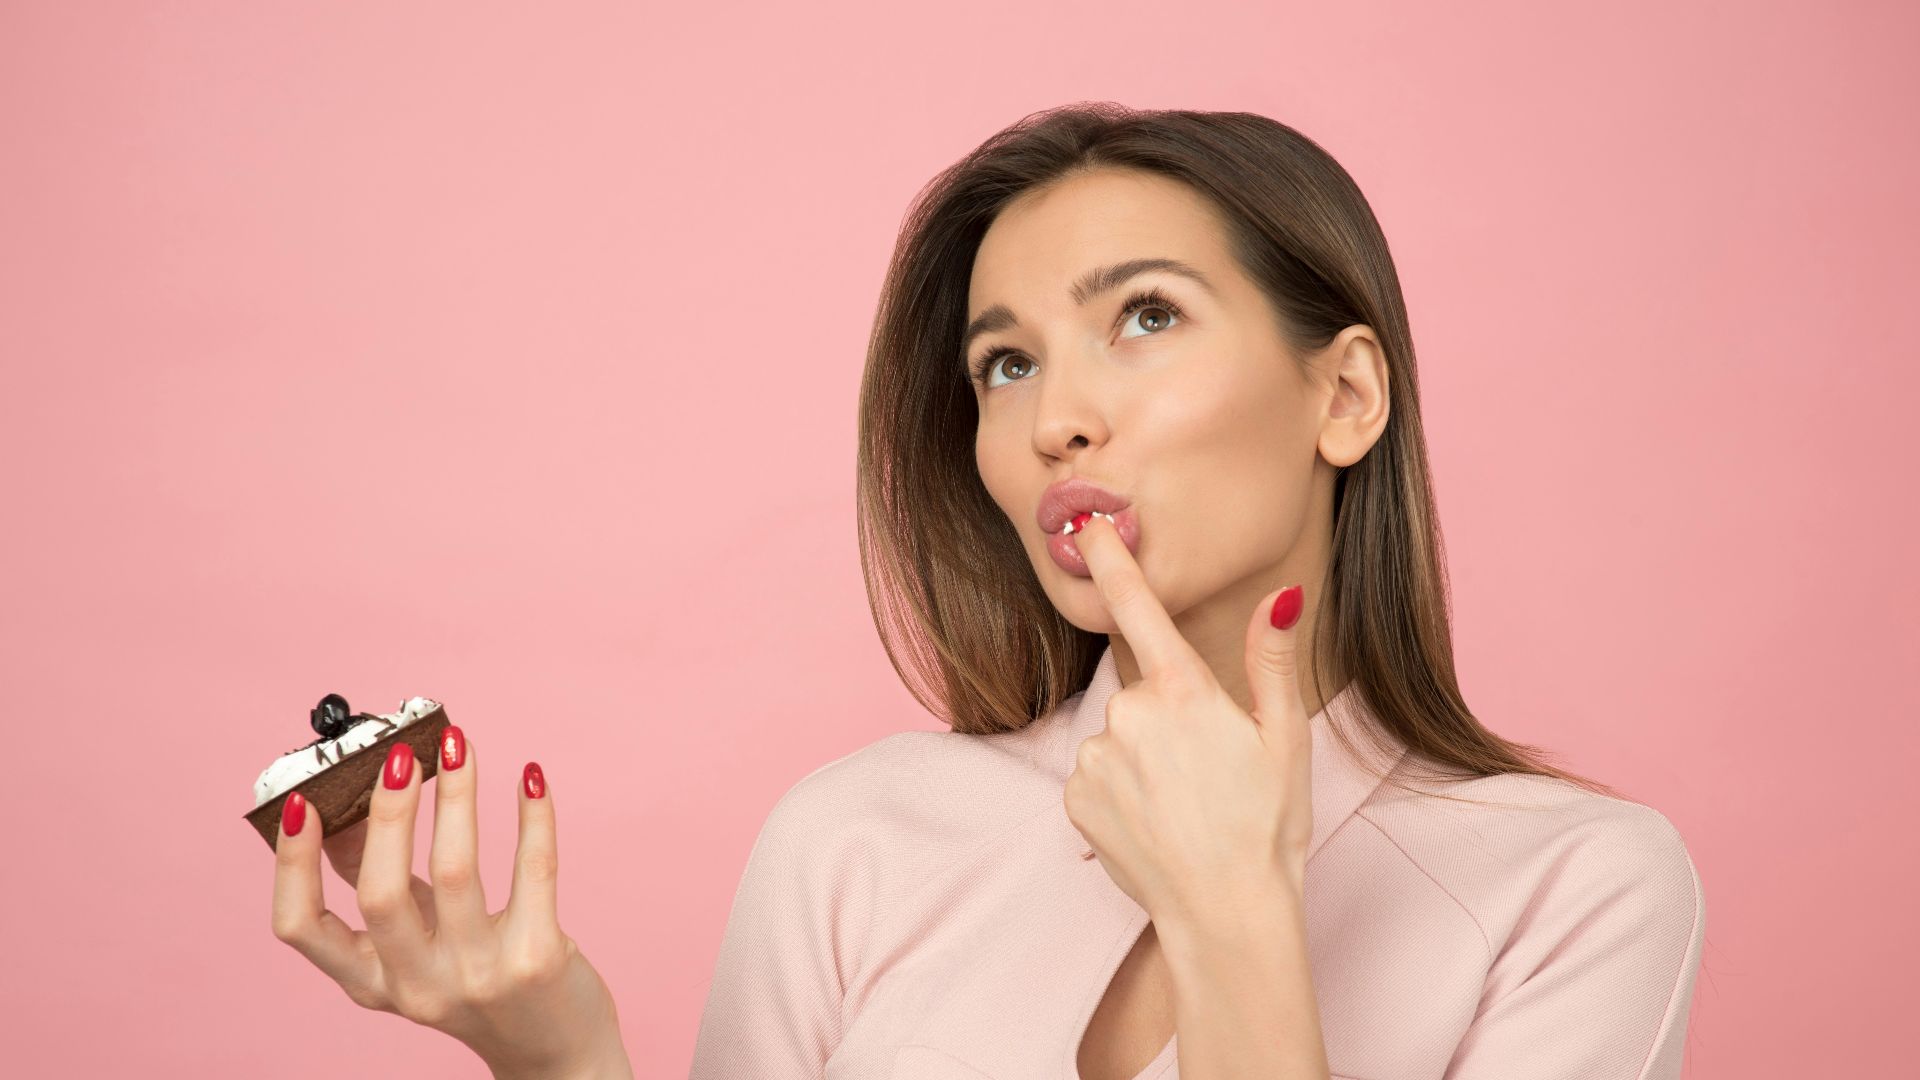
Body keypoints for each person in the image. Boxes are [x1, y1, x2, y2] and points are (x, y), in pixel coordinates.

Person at [268, 102, 1705, 1080]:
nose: (1054, 421)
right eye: (1005, 363)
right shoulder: (861, 840)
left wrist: (1235, 921)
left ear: (1345, 394)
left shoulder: (1575, 890)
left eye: (1144, 317)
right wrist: (563, 1053)